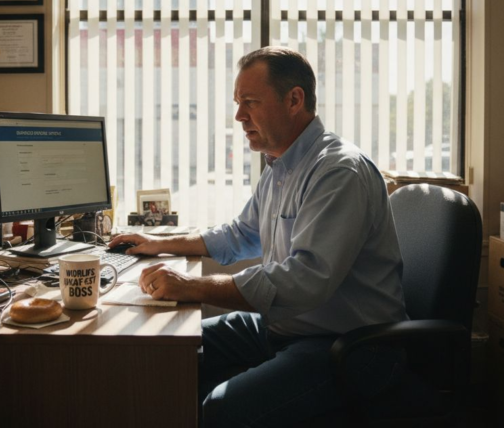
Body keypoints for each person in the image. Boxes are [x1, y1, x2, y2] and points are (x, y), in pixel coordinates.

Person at [109, 46, 407, 427]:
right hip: (290, 327)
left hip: (351, 345)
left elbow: (304, 281)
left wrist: (192, 286)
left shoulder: (338, 172)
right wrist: (160, 244)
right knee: (166, 352)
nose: (238, 116)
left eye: (250, 102)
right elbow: (241, 234)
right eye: (238, 103)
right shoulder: (281, 165)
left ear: (294, 99)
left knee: (222, 409)